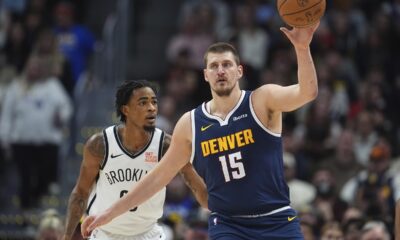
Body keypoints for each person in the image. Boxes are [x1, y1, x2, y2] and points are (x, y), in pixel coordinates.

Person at [82, 22, 320, 239]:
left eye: (227, 64)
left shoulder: (263, 100)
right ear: (205, 75)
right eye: (214, 66)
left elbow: (307, 92)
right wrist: (108, 213)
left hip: (276, 217)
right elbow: (157, 177)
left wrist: (302, 47)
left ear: (239, 71)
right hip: (228, 225)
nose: (220, 71)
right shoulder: (191, 122)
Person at [62, 80, 207, 240]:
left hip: (148, 233)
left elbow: (194, 183)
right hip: (105, 233)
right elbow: (80, 193)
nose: (152, 108)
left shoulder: (165, 145)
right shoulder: (100, 145)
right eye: (143, 103)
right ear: (126, 110)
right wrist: (67, 235)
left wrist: (218, 209)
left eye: (154, 102)